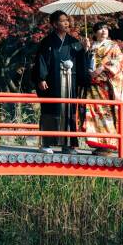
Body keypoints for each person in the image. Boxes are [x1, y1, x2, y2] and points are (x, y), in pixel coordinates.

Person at [32, 10, 88, 154]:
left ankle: (68, 145)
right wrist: (41, 78)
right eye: (62, 21)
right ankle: (46, 143)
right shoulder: (47, 42)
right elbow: (41, 60)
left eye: (67, 20)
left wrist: (85, 49)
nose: (66, 23)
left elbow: (81, 61)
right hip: (52, 81)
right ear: (54, 24)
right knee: (51, 110)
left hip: (70, 81)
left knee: (69, 111)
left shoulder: (74, 42)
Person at [81, 22, 123, 156]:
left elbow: (118, 62)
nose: (103, 31)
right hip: (92, 86)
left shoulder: (113, 46)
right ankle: (99, 144)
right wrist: (85, 50)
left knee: (106, 114)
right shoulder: (90, 46)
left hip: (106, 86)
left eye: (105, 28)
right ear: (94, 33)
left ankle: (108, 144)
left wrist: (103, 68)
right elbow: (84, 62)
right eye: (100, 29)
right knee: (93, 115)